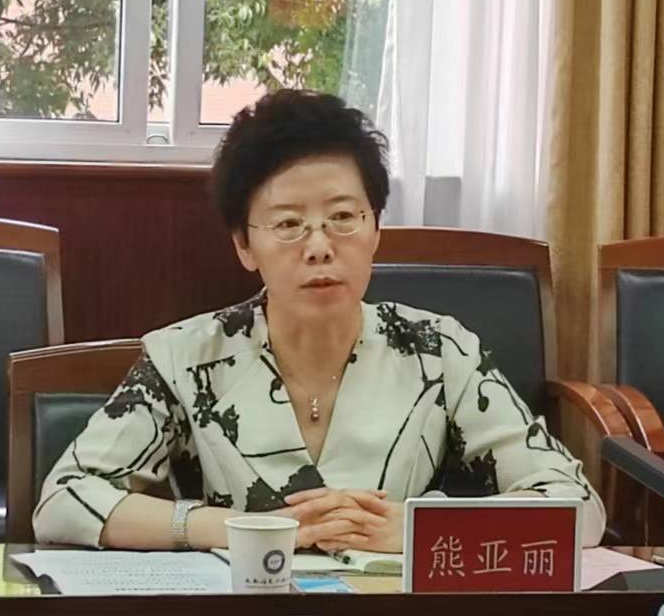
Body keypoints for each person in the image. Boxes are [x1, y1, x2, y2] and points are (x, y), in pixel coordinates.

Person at [33, 89, 606, 552]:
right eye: (288, 224)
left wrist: (418, 530)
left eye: (343, 217)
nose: (319, 247)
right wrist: (233, 528)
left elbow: (578, 507)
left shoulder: (439, 351)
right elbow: (63, 501)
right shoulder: (187, 356)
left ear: (376, 229)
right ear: (244, 245)